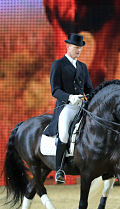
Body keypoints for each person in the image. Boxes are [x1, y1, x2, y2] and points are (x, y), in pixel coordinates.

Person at [44, 33, 93, 184]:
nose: (79, 50)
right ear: (68, 46)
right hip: (66, 106)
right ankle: (59, 169)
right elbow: (55, 90)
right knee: (64, 133)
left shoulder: (83, 67)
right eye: (76, 47)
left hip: (81, 106)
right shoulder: (58, 64)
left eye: (81, 48)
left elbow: (89, 89)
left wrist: (90, 98)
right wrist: (70, 97)